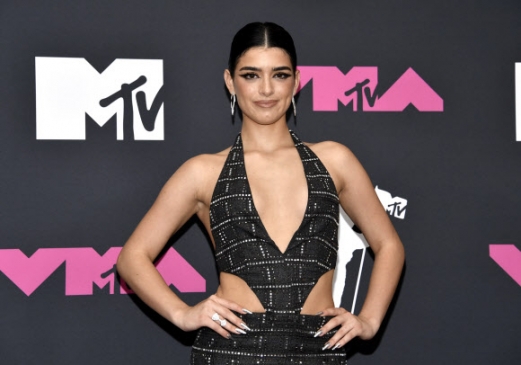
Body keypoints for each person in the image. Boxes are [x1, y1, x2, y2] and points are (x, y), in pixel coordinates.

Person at [117, 22, 405, 364]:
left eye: (279, 75)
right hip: (230, 352)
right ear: (230, 81)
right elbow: (131, 258)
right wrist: (183, 314)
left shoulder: (335, 161)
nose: (266, 89)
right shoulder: (203, 172)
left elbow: (389, 245)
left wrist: (369, 320)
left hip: (318, 351)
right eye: (251, 75)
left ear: (297, 81)